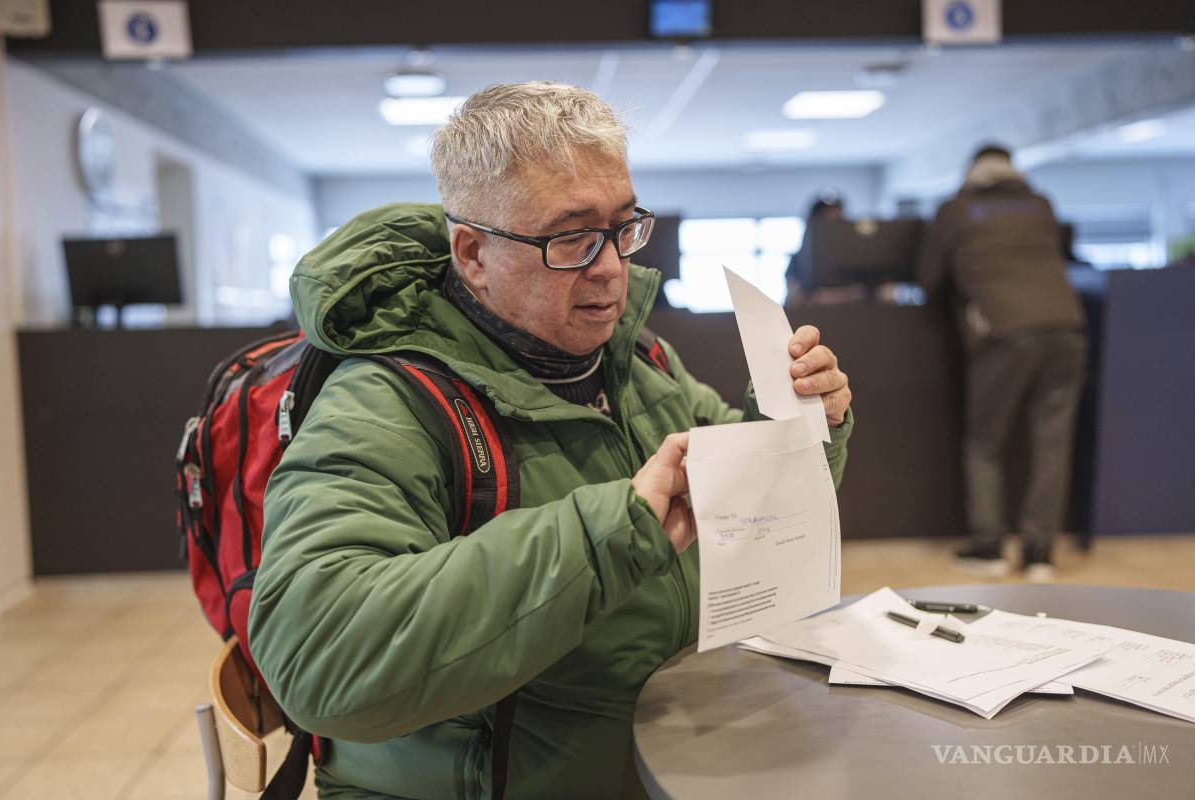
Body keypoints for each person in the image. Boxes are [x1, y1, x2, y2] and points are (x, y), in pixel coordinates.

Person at [248, 81, 854, 800]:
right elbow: (319, 658)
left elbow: (743, 518)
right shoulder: (388, 401)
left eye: (624, 227)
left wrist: (798, 431)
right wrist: (609, 534)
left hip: (668, 756)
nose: (610, 267)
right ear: (472, 253)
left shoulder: (636, 360)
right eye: (571, 238)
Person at [917, 143, 1086, 581]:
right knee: (1052, 443)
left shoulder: (956, 209)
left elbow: (930, 279)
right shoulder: (1039, 204)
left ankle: (989, 546)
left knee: (984, 442)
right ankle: (1039, 554)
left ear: (971, 171)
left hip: (1005, 331)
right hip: (1066, 327)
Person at [786, 190, 845, 298]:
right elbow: (793, 295)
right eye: (826, 222)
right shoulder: (799, 260)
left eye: (837, 222)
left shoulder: (852, 258)